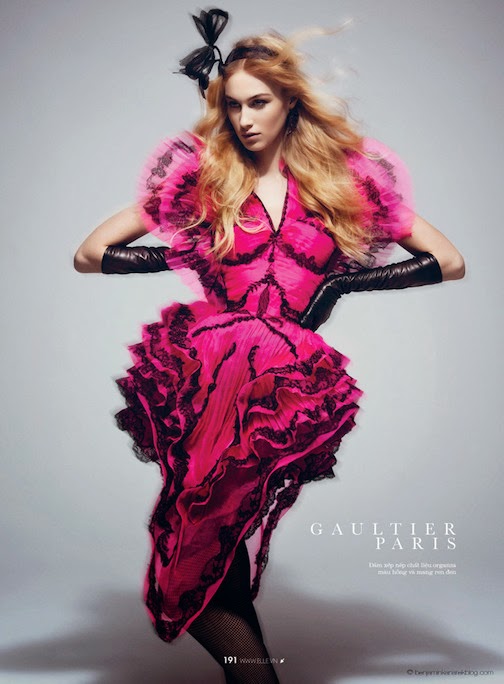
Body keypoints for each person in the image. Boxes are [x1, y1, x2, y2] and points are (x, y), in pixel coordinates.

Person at [73, 8, 465, 683]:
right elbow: (90, 253)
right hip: (206, 375)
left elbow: (447, 261)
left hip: (281, 385)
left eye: (258, 102)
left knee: (221, 534)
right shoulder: (205, 177)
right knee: (203, 538)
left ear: (289, 102)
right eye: (232, 106)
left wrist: (340, 284)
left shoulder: (343, 182)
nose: (245, 119)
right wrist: (183, 256)